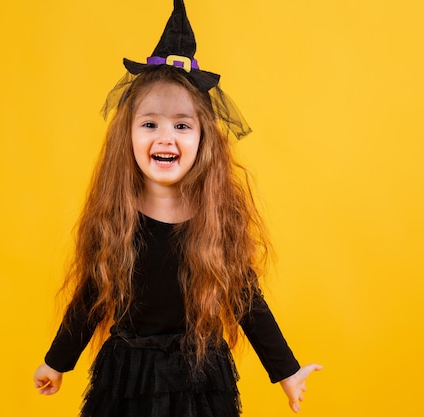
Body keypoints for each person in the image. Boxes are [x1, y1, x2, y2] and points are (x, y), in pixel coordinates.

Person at [33, 1, 321, 415]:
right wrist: (56, 362)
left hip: (199, 379)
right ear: (127, 135)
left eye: (181, 125)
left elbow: (245, 298)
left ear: (203, 138)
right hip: (129, 377)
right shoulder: (118, 219)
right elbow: (91, 295)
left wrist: (287, 372)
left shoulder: (213, 220)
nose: (165, 137)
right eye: (150, 124)